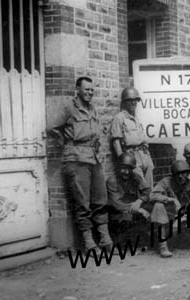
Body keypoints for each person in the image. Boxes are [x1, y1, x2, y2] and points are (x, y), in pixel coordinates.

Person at [49, 76, 112, 252]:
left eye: (92, 90)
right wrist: (65, 142)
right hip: (76, 159)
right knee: (82, 202)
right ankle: (89, 243)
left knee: (100, 198)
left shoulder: (93, 109)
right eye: (87, 89)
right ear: (77, 89)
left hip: (93, 157)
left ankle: (105, 239)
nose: (90, 93)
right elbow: (52, 127)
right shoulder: (69, 108)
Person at [150, 160, 190, 257]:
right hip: (168, 216)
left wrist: (181, 219)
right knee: (158, 205)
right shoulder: (166, 182)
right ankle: (163, 245)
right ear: (173, 175)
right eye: (177, 174)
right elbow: (152, 196)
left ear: (187, 173)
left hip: (184, 217)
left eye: (183, 173)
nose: (180, 176)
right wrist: (170, 199)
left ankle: (177, 238)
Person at [110, 87, 154, 187]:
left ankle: (149, 202)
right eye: (130, 100)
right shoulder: (119, 118)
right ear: (125, 102)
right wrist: (124, 163)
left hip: (144, 154)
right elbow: (116, 142)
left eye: (135, 100)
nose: (133, 103)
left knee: (149, 186)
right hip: (131, 155)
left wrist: (147, 155)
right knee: (139, 185)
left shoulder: (136, 118)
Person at [106, 154, 152, 245]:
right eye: (123, 168)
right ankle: (124, 242)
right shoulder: (112, 181)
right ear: (118, 167)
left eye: (129, 169)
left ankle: (140, 238)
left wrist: (140, 200)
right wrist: (138, 209)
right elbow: (116, 204)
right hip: (117, 213)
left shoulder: (136, 177)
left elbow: (147, 191)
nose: (126, 172)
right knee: (126, 219)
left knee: (152, 208)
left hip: (132, 209)